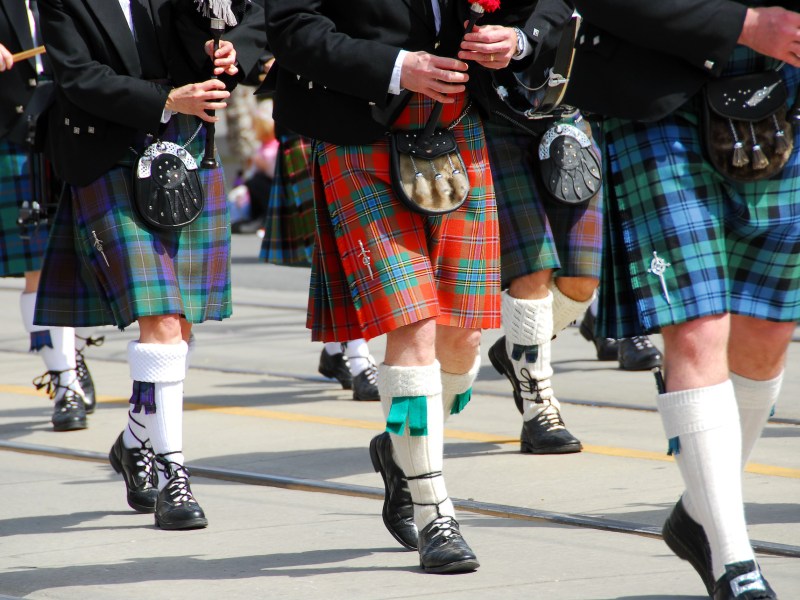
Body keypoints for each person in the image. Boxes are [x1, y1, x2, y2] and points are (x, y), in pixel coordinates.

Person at [264, 0, 520, 573]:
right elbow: (291, 27)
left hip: (457, 131)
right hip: (359, 132)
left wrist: (517, 39)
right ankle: (436, 514)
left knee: (462, 339)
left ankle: (400, 453)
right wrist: (398, 66)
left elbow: (545, 9)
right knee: (413, 324)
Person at [566, 2, 799, 598]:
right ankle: (734, 562)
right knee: (696, 328)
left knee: (768, 332)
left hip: (785, 87)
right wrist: (741, 26)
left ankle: (699, 516)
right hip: (659, 89)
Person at [35, 0, 265, 529]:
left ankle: (136, 440)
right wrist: (166, 99)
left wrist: (229, 49)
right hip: (108, 155)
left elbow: (262, 16)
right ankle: (173, 478)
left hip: (185, 149)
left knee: (178, 328)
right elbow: (77, 75)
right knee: (160, 320)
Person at [0, 0, 102, 432]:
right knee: (38, 267)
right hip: (13, 134)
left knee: (84, 262)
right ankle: (64, 383)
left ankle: (70, 355)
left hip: (78, 131)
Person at [259, 126, 380, 401]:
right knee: (341, 249)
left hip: (350, 128)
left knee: (340, 249)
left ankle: (335, 352)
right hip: (308, 128)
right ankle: (359, 363)